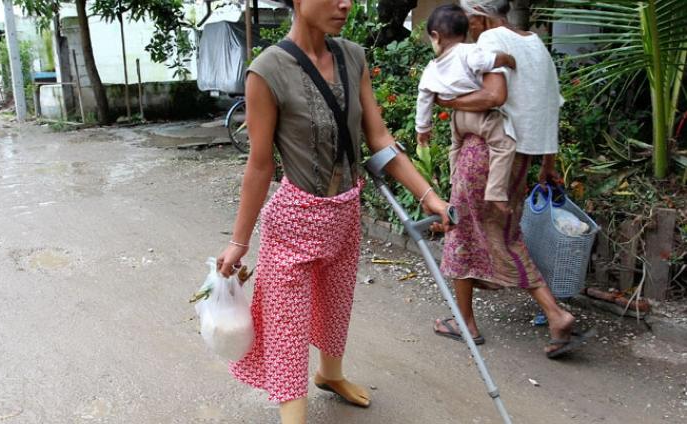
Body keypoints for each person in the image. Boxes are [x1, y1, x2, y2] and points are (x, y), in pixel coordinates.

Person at [215, 0, 451, 421]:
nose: (345, 3)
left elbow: (378, 137)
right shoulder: (265, 72)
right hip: (293, 221)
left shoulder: (352, 56)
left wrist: (428, 195)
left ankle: (330, 374)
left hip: (345, 211)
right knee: (287, 327)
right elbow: (260, 164)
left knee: (336, 303)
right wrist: (239, 241)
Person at [431, 0, 589, 359]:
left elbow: (492, 96)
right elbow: (550, 107)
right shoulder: (537, 47)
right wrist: (547, 163)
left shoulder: (488, 43)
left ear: (480, 16)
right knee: (501, 233)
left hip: (485, 154)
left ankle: (470, 322)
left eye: (466, 19)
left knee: (462, 229)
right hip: (520, 158)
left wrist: (447, 101)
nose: (464, 26)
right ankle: (550, 314)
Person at [416, 4, 517, 214]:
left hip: (458, 120)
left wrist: (422, 130)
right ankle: (496, 192)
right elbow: (488, 61)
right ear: (464, 32)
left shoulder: (431, 68)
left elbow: (424, 99)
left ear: (436, 36)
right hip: (479, 116)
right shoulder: (469, 51)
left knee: (456, 147)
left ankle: (455, 179)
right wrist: (506, 59)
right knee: (504, 145)